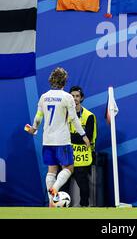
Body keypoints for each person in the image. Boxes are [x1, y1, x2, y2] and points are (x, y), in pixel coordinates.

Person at [27, 68, 90, 207]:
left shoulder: (44, 96)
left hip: (47, 140)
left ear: (51, 80)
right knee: (69, 167)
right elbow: (74, 119)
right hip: (62, 140)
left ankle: (51, 200)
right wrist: (84, 135)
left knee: (52, 170)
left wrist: (34, 128)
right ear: (64, 81)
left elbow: (38, 117)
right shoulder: (67, 97)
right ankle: (55, 189)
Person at [63, 86, 97, 207]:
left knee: (83, 185)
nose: (75, 98)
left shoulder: (89, 116)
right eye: (72, 96)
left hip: (82, 157)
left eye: (77, 96)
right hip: (66, 156)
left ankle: (84, 208)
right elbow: (62, 134)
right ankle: (61, 207)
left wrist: (71, 136)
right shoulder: (64, 114)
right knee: (62, 184)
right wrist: (80, 136)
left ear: (81, 98)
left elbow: (88, 137)